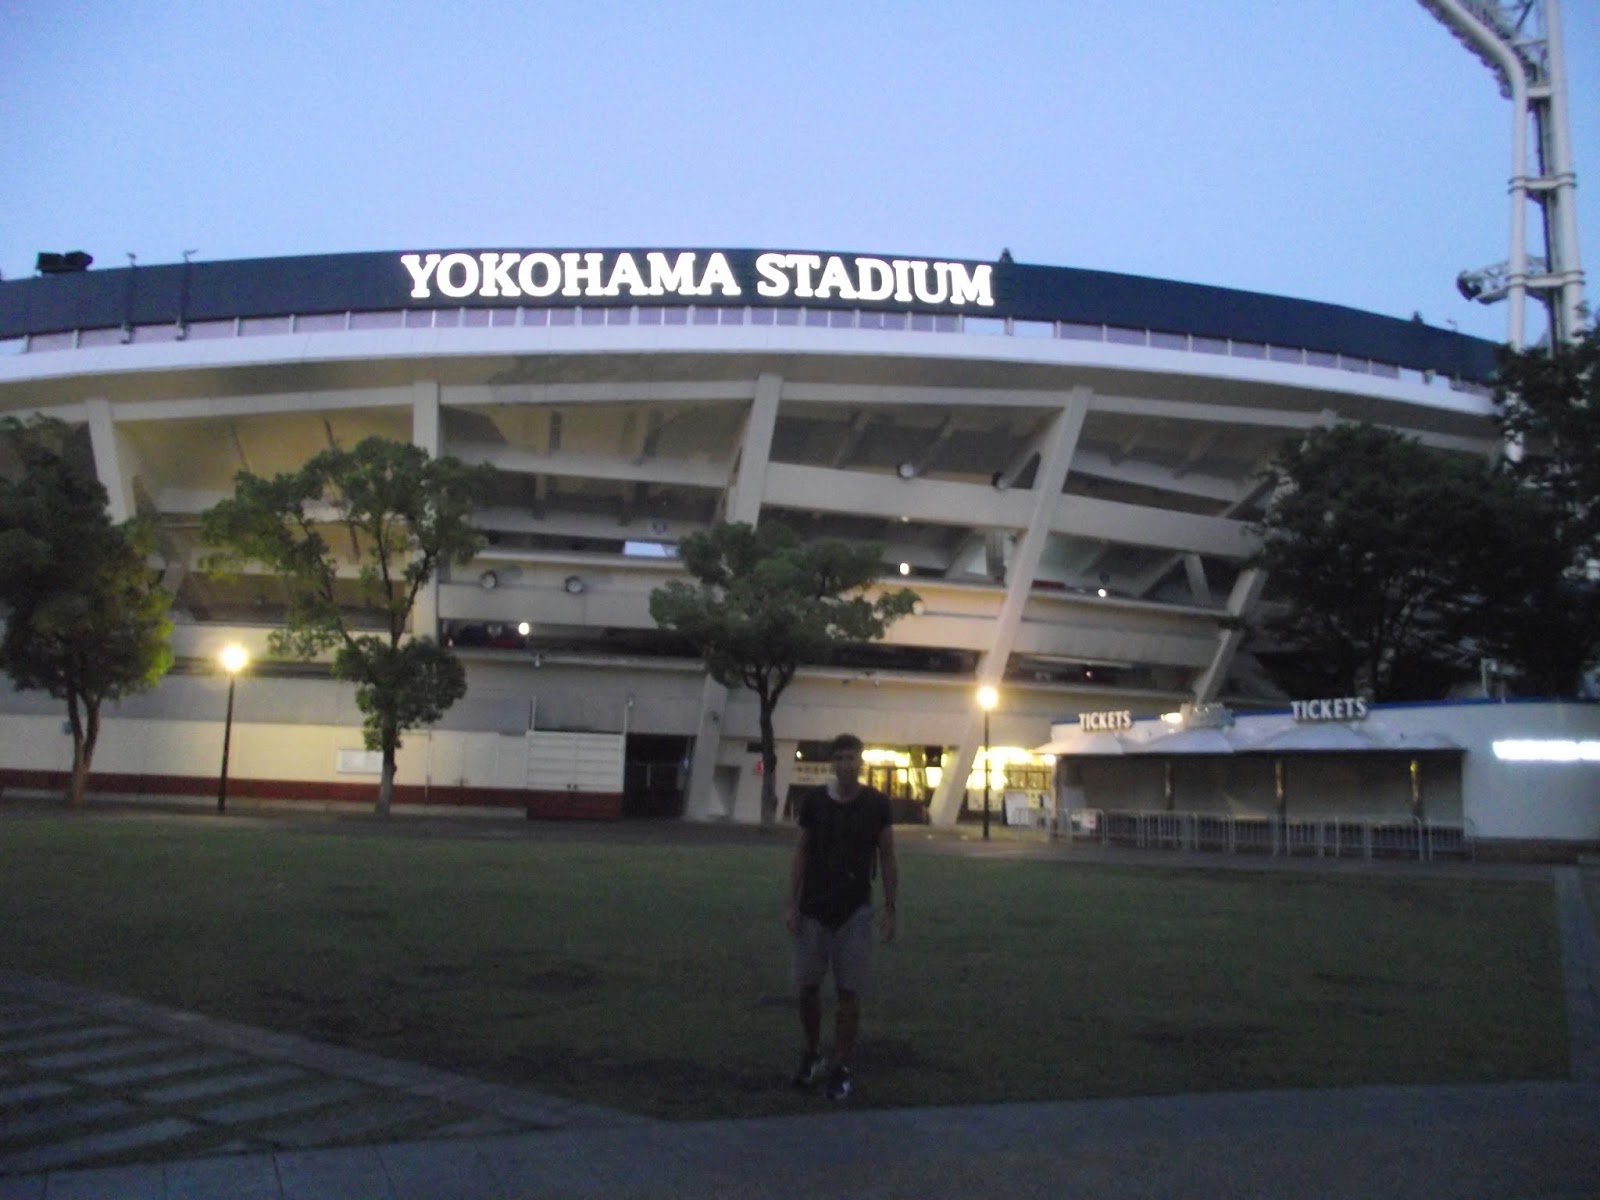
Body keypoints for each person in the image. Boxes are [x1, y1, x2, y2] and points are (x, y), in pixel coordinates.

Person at [784, 732, 898, 1101]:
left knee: (849, 992)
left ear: (861, 763)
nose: (847, 764)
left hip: (855, 910)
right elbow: (801, 851)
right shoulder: (815, 802)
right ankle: (812, 1052)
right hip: (814, 907)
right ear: (832, 762)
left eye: (853, 758)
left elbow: (887, 856)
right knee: (807, 988)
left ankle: (840, 1065)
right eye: (841, 758)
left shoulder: (876, 804)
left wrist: (891, 908)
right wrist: (792, 902)